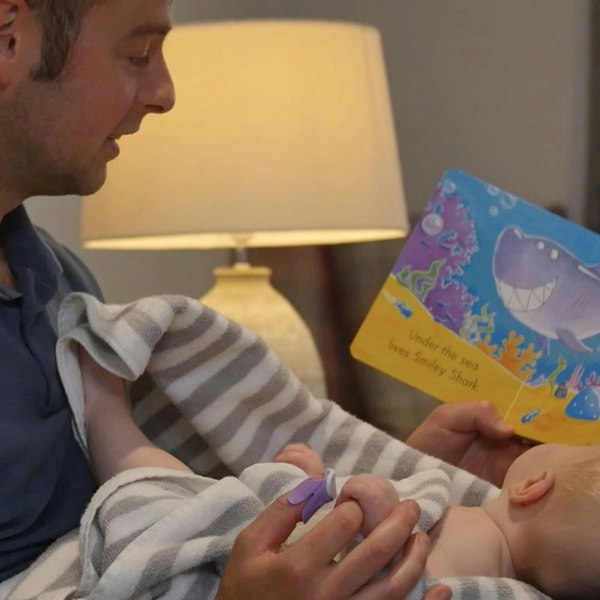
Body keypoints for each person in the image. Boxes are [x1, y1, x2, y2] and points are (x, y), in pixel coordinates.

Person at [0, 0, 526, 597]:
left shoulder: (59, 284)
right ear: (9, 38)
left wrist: (392, 486)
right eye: (137, 55)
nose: (164, 93)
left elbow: (142, 521)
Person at [278, 441, 600, 599]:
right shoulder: (513, 587)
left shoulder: (478, 536)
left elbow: (404, 574)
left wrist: (375, 513)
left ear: (531, 487)